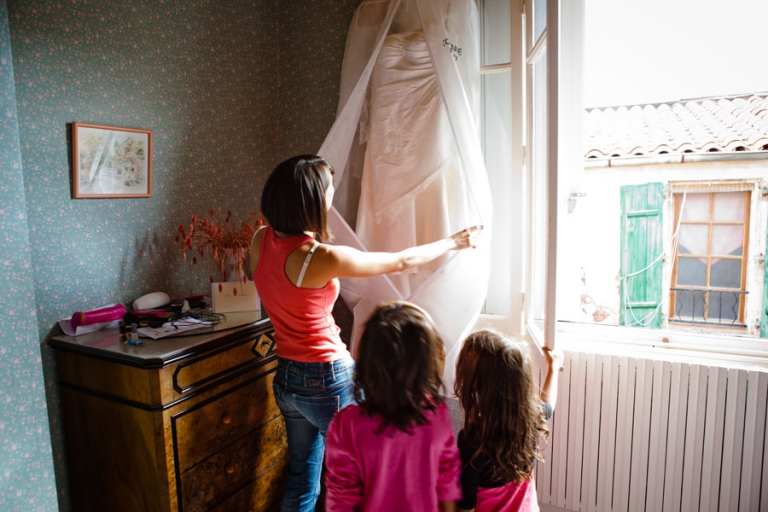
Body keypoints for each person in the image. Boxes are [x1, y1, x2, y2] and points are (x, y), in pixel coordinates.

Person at [249, 155, 481, 511]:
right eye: (328, 191)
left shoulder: (259, 241)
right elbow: (400, 261)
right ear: (310, 200)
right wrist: (452, 242)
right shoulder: (318, 258)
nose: (331, 199)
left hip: (286, 378)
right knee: (364, 479)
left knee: (300, 479)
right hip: (327, 379)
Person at [324, 301, 462, 511]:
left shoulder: (346, 424)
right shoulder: (437, 414)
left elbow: (341, 497)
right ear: (425, 366)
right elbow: (448, 483)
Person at [453, 330, 564, 512]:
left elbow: (466, 507)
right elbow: (548, 403)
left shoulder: (471, 441)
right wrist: (553, 368)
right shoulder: (529, 418)